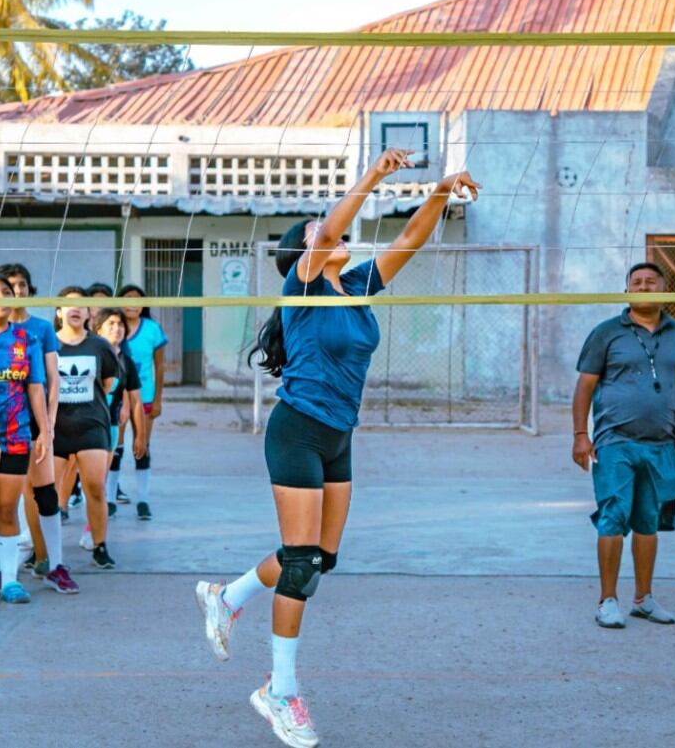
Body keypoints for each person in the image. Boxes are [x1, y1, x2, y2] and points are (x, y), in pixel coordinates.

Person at [193, 151, 480, 748]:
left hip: (338, 435)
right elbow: (324, 231)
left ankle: (230, 595)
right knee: (299, 562)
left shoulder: (353, 286)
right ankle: (280, 691)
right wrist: (373, 177)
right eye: (323, 234)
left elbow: (408, 240)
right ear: (303, 252)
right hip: (297, 427)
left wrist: (441, 193)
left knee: (319, 560)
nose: (337, 235)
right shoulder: (302, 286)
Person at [570, 261, 675, 630]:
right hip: (615, 441)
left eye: (652, 282)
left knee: (649, 521)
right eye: (637, 282)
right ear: (627, 291)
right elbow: (585, 386)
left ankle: (643, 599)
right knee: (614, 516)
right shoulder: (606, 333)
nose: (645, 286)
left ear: (664, 291)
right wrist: (580, 436)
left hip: (661, 443)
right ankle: (607, 601)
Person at [0, 263, 76, 594]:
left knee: (46, 494)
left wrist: (49, 426)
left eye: (22, 286)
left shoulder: (41, 329)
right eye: (9, 286)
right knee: (3, 499)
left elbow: (52, 381)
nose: (16, 292)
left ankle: (55, 565)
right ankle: (5, 566)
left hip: (34, 424)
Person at [0, 273, 51, 604]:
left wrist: (44, 431)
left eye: (6, 290)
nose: (2, 295)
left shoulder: (25, 338)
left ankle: (9, 580)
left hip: (16, 434)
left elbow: (35, 387)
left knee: (6, 508)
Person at [53, 286, 121, 570]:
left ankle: (99, 545)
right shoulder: (48, 344)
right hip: (56, 428)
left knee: (95, 487)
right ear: (58, 311)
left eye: (81, 304)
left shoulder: (99, 346)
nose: (76, 309)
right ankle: (46, 550)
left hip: (92, 424)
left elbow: (107, 384)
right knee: (49, 494)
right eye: (69, 305)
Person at [77, 307, 145, 549]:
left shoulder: (125, 361)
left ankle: (92, 532)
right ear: (98, 329)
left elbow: (132, 396)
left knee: (97, 483)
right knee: (64, 484)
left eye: (120, 325)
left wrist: (140, 435)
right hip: (75, 424)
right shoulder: (86, 352)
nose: (117, 329)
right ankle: (39, 537)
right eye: (111, 324)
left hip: (107, 427)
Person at [118, 284, 167, 520]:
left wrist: (158, 399)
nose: (133, 303)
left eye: (138, 299)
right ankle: (108, 499)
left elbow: (159, 366)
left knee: (142, 446)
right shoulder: (113, 327)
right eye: (128, 298)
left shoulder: (152, 329)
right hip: (116, 398)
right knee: (113, 447)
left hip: (144, 397)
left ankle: (143, 500)